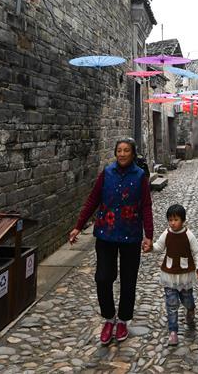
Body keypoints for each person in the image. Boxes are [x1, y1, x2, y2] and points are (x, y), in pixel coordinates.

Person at [69, 138, 153, 345]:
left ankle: (123, 320)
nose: (122, 154)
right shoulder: (107, 173)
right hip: (106, 234)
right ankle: (109, 318)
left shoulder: (140, 176)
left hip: (131, 235)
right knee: (103, 278)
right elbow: (93, 199)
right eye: (119, 150)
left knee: (128, 280)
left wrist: (149, 235)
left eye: (126, 150)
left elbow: (146, 206)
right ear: (115, 153)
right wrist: (79, 225)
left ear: (133, 153)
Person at [148, 203, 198, 346]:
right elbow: (159, 247)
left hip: (185, 274)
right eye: (170, 220)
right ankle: (173, 331)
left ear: (183, 220)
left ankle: (190, 309)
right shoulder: (166, 234)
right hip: (170, 274)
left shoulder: (188, 236)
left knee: (187, 300)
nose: (172, 223)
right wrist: (150, 248)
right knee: (171, 304)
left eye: (176, 220)